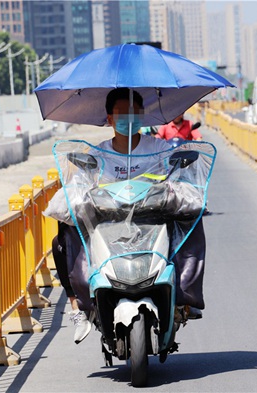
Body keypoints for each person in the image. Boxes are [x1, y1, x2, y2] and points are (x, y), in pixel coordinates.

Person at [50, 88, 206, 344]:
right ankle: (77, 306)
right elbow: (80, 182)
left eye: (134, 112)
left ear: (143, 116)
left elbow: (179, 175)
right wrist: (73, 195)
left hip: (153, 218)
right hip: (108, 221)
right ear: (109, 118)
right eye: (122, 113)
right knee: (63, 234)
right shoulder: (98, 154)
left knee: (192, 220)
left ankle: (185, 296)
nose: (128, 118)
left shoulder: (159, 149)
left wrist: (183, 187)